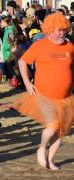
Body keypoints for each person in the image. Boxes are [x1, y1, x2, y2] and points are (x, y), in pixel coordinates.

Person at [11, 12, 74, 170]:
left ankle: (50, 160)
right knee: (52, 126)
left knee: (60, 131)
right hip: (43, 94)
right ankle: (41, 148)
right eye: (59, 30)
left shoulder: (70, 47)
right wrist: (26, 82)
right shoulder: (39, 45)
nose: (62, 33)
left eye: (64, 29)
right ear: (50, 29)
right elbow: (22, 62)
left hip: (65, 97)